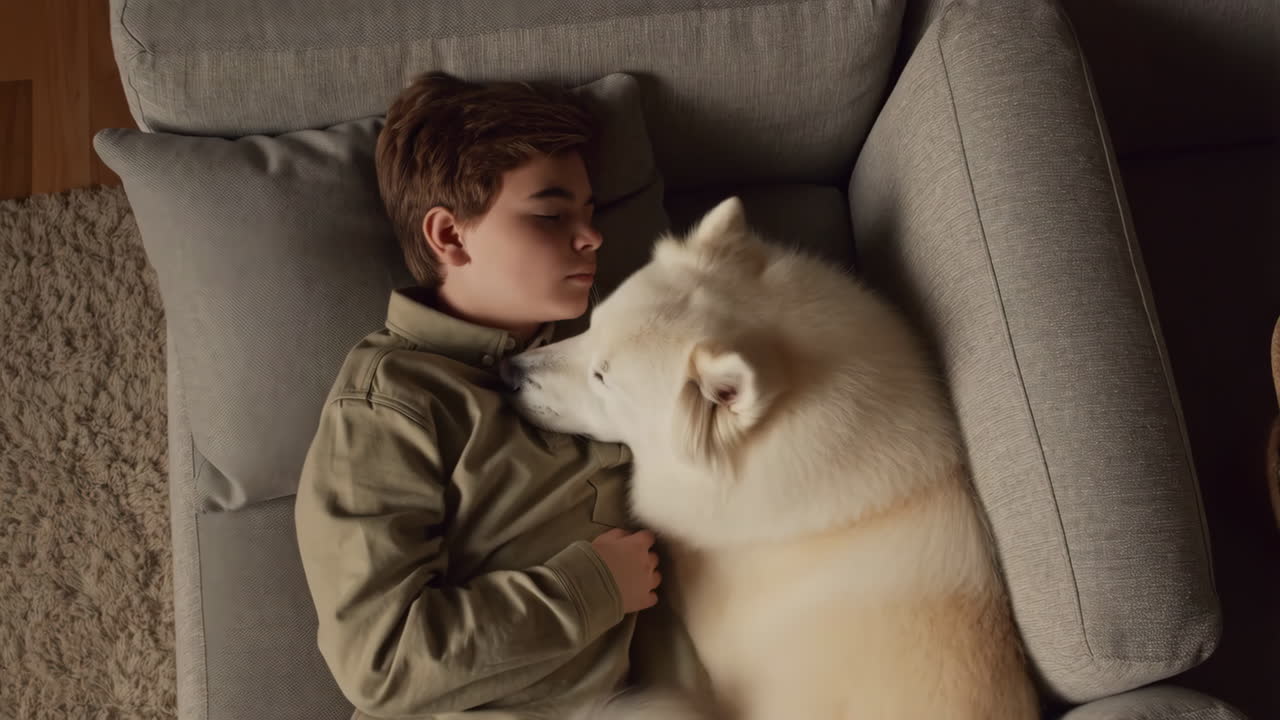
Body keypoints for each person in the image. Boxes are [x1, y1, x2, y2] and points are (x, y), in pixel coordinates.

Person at [294, 71, 677, 719]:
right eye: (552, 214)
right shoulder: (391, 402)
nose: (592, 237)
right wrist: (590, 588)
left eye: (589, 211)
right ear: (449, 235)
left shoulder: (612, 337)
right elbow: (380, 662)